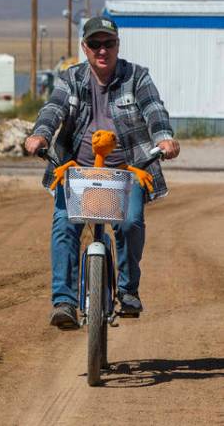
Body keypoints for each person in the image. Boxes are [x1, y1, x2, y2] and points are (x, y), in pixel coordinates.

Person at [24, 17, 180, 329]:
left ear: (117, 46)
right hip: (79, 172)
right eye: (94, 44)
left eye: (108, 43)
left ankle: (127, 289)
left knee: (130, 223)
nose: (102, 50)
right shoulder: (72, 78)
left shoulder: (136, 77)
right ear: (84, 48)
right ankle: (64, 302)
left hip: (127, 170)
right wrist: (39, 134)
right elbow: (54, 109)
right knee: (64, 224)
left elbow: (154, 109)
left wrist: (164, 137)